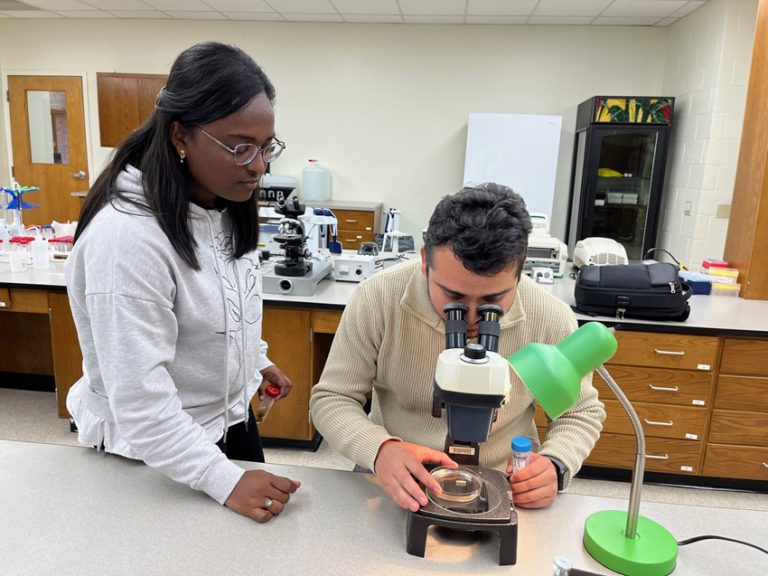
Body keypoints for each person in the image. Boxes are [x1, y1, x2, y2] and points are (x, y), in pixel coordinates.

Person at [66, 42, 299, 523]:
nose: (258, 165)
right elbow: (140, 399)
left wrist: (253, 360)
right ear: (180, 136)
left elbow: (222, 305)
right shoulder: (127, 239)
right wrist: (224, 480)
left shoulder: (223, 205)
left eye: (265, 146)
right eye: (240, 146)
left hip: (228, 424)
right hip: (153, 453)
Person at [310, 183, 605, 512]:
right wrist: (380, 450)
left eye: (493, 300)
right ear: (425, 260)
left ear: (519, 275)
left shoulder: (550, 316)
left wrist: (555, 464)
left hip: (503, 483)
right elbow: (332, 399)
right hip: (397, 473)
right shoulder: (377, 298)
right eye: (454, 297)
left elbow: (580, 413)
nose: (472, 318)